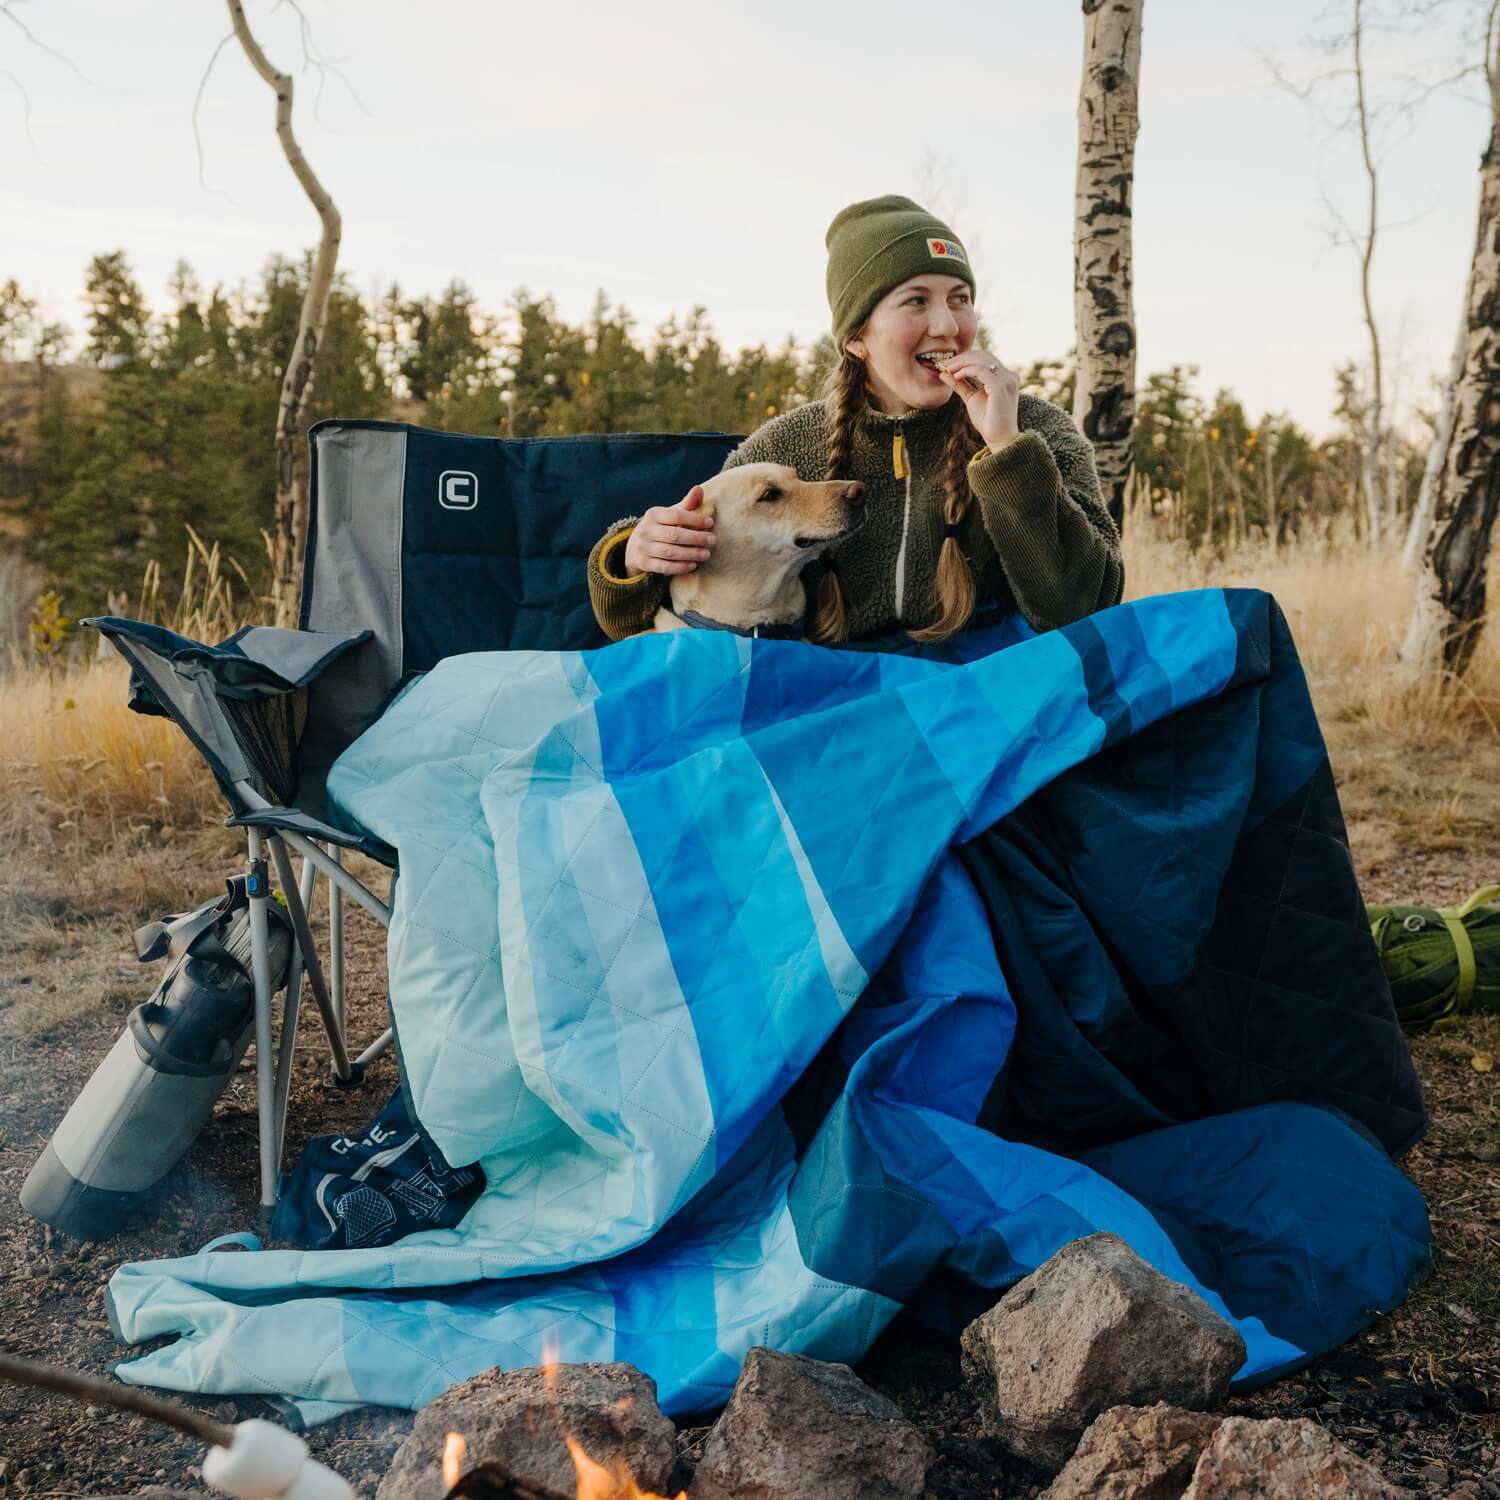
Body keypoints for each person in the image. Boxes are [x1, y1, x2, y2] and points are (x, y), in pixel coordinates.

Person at [587, 195, 1124, 645]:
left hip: (980, 697)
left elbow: (1085, 611)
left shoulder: (1034, 430)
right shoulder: (788, 447)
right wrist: (634, 556)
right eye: (916, 301)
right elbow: (644, 616)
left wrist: (1007, 450)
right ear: (856, 338)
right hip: (834, 706)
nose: (947, 325)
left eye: (960, 300)